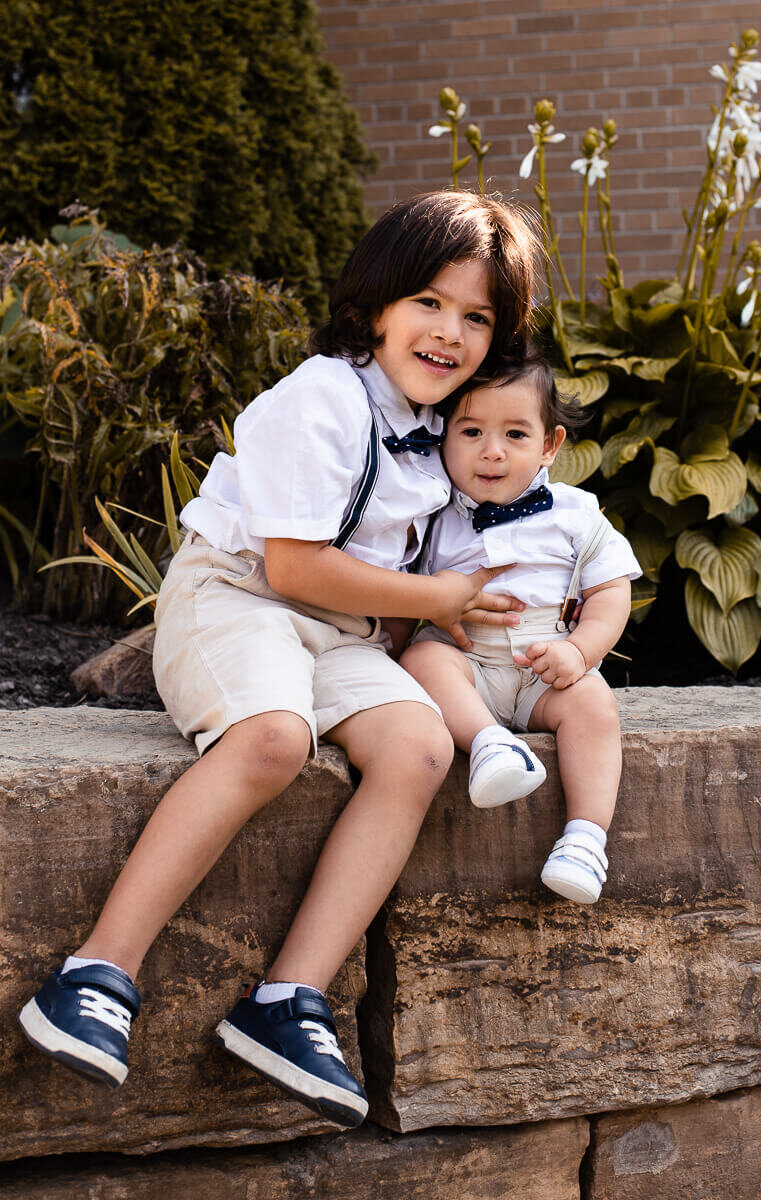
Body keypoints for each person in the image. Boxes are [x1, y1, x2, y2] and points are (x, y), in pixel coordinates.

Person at [18, 191, 542, 1129]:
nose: (448, 332)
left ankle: (285, 1000)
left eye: (477, 317)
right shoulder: (323, 397)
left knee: (421, 750)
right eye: (428, 301)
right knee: (270, 738)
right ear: (375, 303)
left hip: (341, 629)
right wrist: (440, 600)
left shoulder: (451, 426)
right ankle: (95, 973)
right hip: (240, 593)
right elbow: (295, 562)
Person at [401, 351, 641, 906]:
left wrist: (581, 652)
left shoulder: (577, 513)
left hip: (546, 669)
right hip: (468, 664)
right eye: (471, 431)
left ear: (549, 446)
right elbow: (402, 590)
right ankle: (489, 745)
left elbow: (610, 590)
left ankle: (585, 839)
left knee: (593, 707)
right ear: (442, 438)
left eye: (514, 433)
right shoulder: (432, 514)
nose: (492, 450)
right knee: (424, 661)